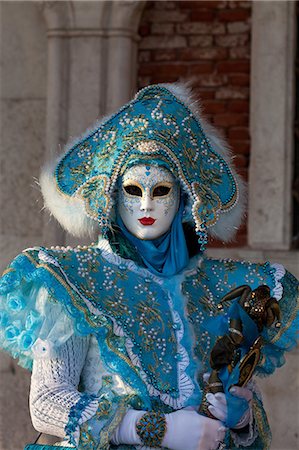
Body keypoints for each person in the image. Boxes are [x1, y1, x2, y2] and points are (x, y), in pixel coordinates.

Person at [0, 83, 298, 450]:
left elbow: (244, 414)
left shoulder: (214, 289)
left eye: (160, 191)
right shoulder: (75, 279)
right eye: (132, 190)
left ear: (184, 199)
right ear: (111, 195)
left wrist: (240, 418)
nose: (145, 206)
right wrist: (155, 429)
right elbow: (47, 404)